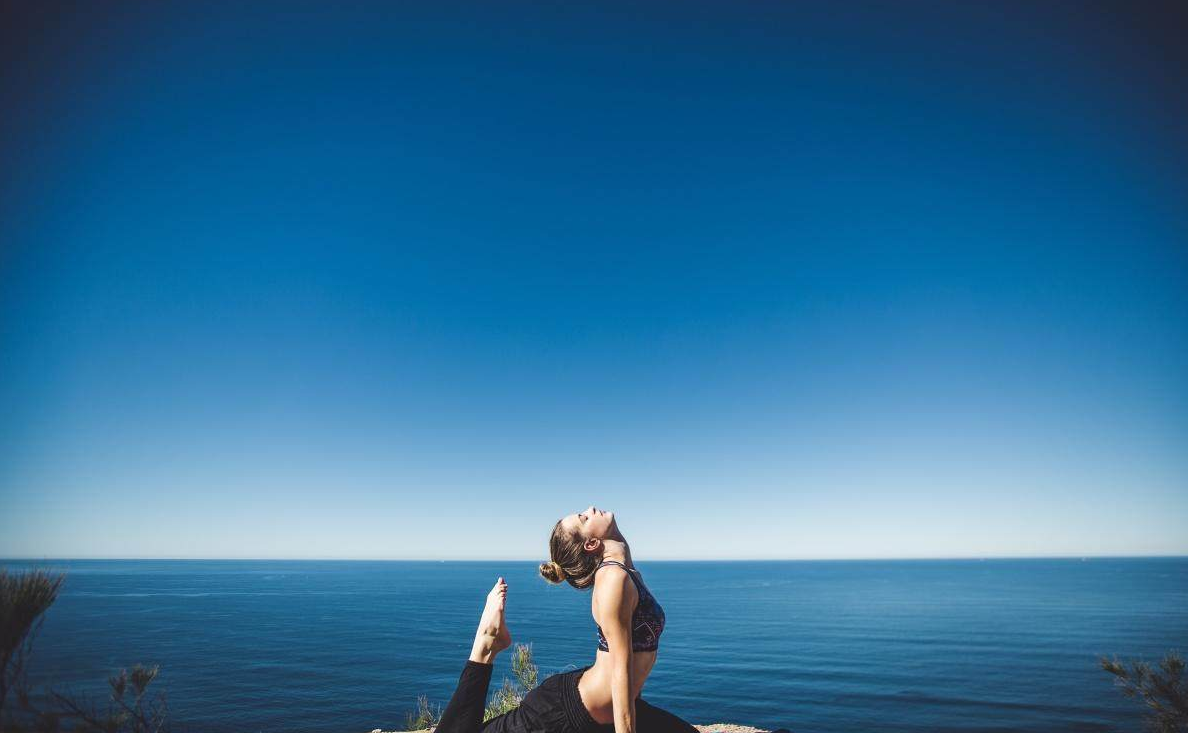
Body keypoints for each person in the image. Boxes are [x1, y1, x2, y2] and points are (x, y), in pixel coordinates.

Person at [431, 505, 704, 733]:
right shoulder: (613, 579)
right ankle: (484, 645)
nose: (590, 509)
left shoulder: (627, 573)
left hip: (606, 709)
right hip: (561, 713)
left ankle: (488, 646)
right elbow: (620, 673)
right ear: (591, 543)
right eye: (584, 518)